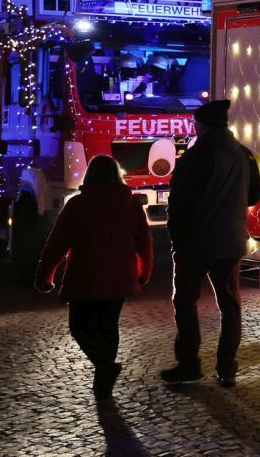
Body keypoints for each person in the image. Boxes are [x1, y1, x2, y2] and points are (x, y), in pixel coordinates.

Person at [34, 155, 153, 399]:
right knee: (109, 325)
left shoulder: (78, 204)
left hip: (85, 276)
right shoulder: (130, 204)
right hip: (121, 276)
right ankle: (104, 380)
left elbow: (56, 244)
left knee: (79, 326)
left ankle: (104, 367)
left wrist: (44, 277)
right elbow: (144, 242)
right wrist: (144, 271)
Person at [161, 99, 260, 387]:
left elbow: (179, 200)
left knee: (185, 301)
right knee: (230, 305)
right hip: (231, 241)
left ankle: (189, 363)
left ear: (202, 125)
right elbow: (254, 195)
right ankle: (227, 366)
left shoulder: (197, 155)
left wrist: (177, 237)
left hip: (196, 242)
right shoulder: (244, 154)